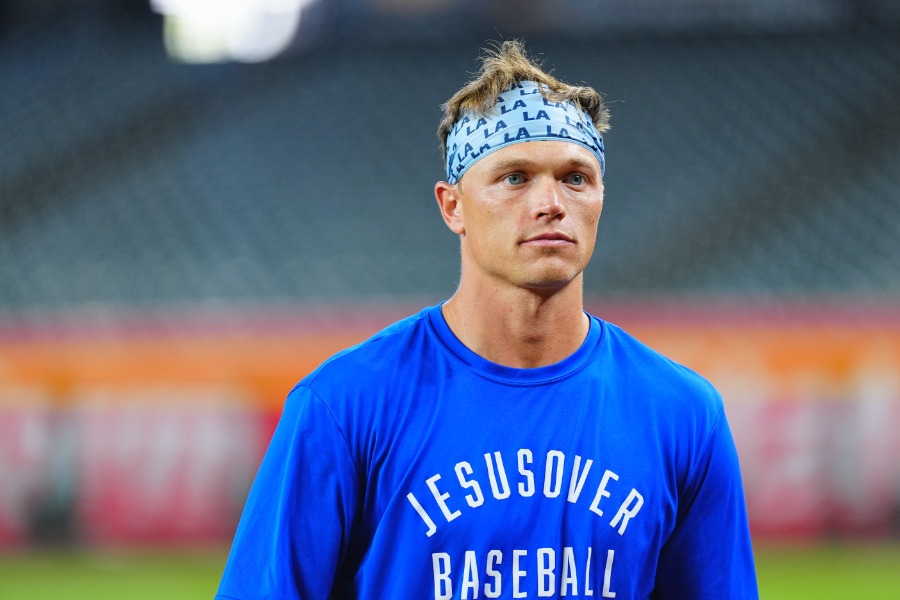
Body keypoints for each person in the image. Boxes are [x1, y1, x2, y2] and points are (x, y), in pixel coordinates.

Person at [215, 40, 759, 599]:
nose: (551, 203)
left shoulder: (682, 414)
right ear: (453, 206)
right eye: (515, 177)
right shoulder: (344, 405)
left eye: (575, 177)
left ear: (600, 196)